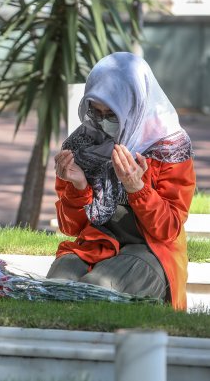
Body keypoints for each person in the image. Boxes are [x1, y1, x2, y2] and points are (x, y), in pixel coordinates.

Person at [47, 52, 196, 310]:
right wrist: (78, 187)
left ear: (135, 106)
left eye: (112, 114)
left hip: (151, 252)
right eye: (96, 111)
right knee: (56, 289)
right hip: (97, 244)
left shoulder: (170, 147)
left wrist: (137, 189)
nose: (103, 123)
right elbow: (70, 227)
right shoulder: (81, 143)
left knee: (96, 291)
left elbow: (169, 229)